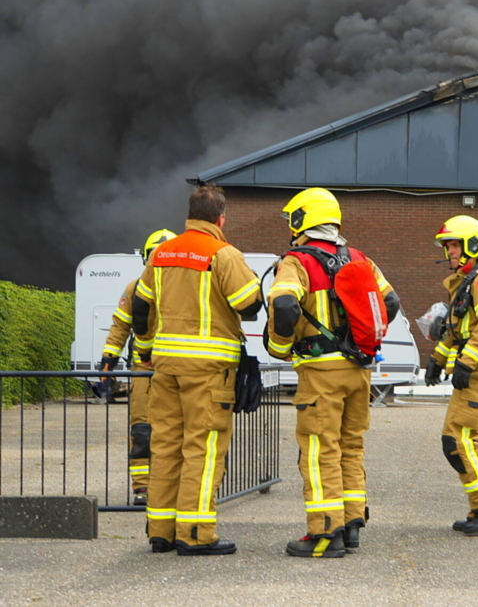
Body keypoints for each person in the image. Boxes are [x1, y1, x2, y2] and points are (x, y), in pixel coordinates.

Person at [265, 187, 401, 558]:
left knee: (318, 450)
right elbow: (391, 301)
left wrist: (278, 347)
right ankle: (352, 523)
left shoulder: (296, 261)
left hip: (321, 371)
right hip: (359, 370)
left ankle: (325, 533)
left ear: (301, 219)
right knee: (350, 446)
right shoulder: (360, 258)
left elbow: (285, 305)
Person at [131, 186, 263, 556]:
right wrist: (254, 279)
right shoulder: (223, 254)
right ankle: (195, 533)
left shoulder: (161, 253)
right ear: (220, 219)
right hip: (208, 370)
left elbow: (141, 307)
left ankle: (161, 531)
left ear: (190, 215)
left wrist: (145, 350)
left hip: (166, 366)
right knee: (202, 451)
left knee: (167, 445)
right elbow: (249, 305)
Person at [425, 215, 478, 535]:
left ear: (473, 245)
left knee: (456, 438)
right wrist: (437, 360)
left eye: (453, 245)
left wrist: (466, 362)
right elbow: (457, 327)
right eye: (447, 246)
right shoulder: (469, 280)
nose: (449, 252)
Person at [96, 228, 176, 507]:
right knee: (142, 430)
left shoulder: (181, 290)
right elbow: (120, 327)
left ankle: (174, 486)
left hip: (174, 370)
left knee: (177, 431)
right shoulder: (134, 289)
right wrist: (108, 361)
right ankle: (142, 488)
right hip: (142, 370)